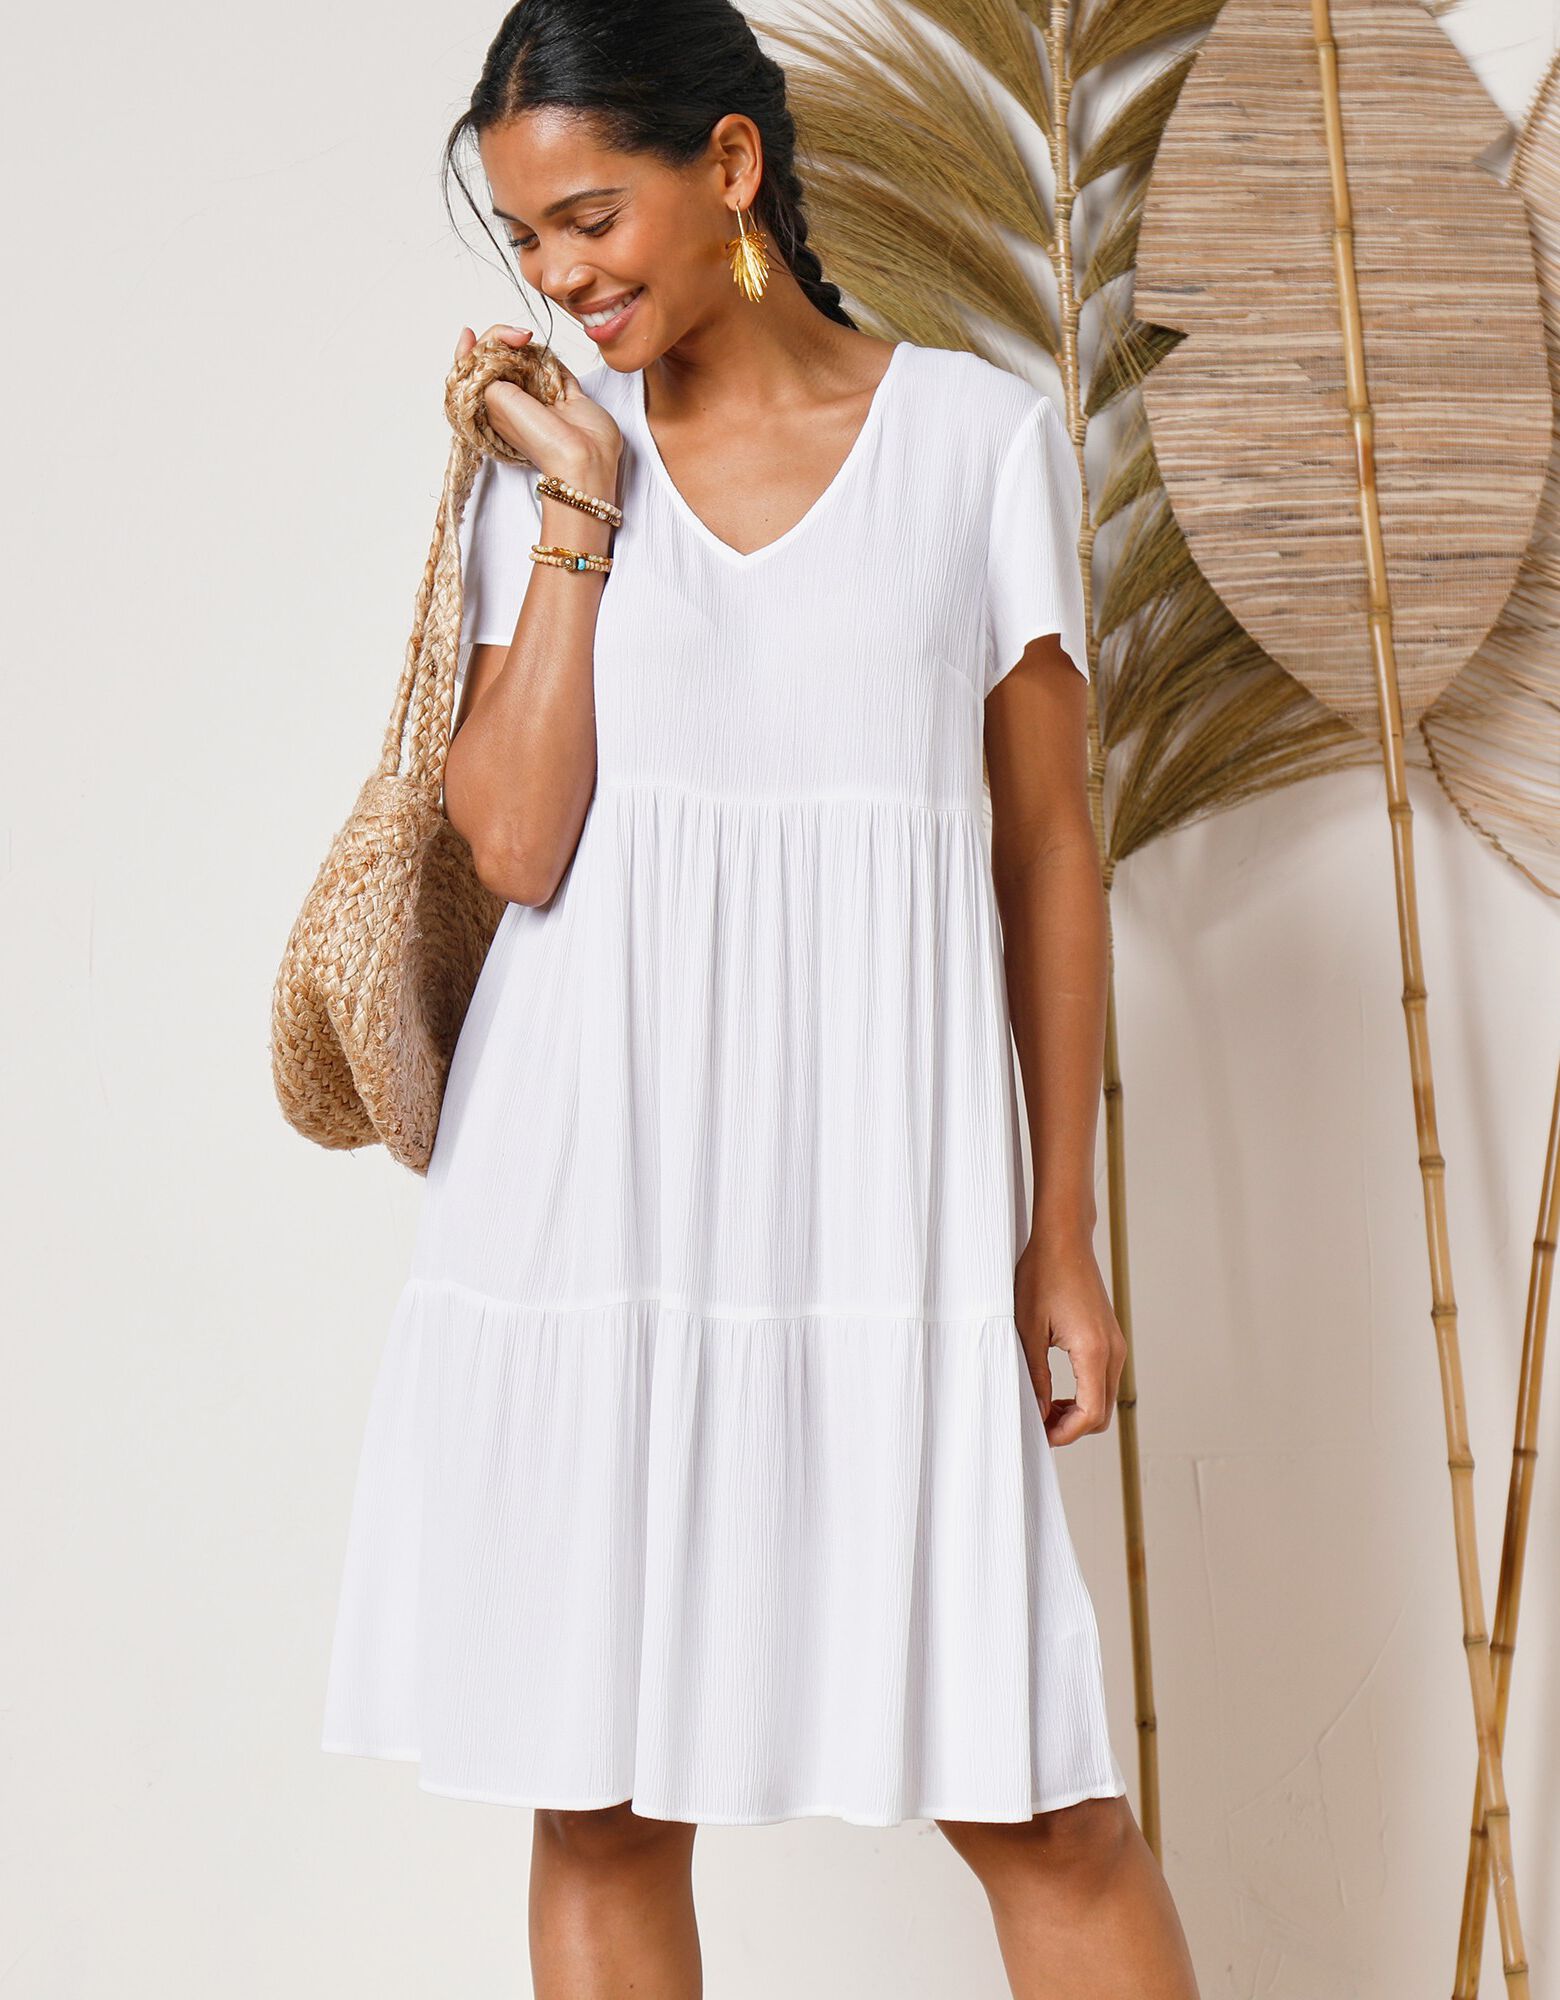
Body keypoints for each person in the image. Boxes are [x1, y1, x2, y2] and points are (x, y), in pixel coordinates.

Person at [320, 2, 1202, 1994]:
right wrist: (577, 514)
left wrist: (1060, 1231)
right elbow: (515, 844)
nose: (561, 277)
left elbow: (1045, 851)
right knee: (600, 1801)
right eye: (525, 240)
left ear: (728, 166)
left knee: (1048, 1810)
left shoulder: (974, 445)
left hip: (881, 1215)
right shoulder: (548, 464)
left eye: (589, 217)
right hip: (597, 1207)